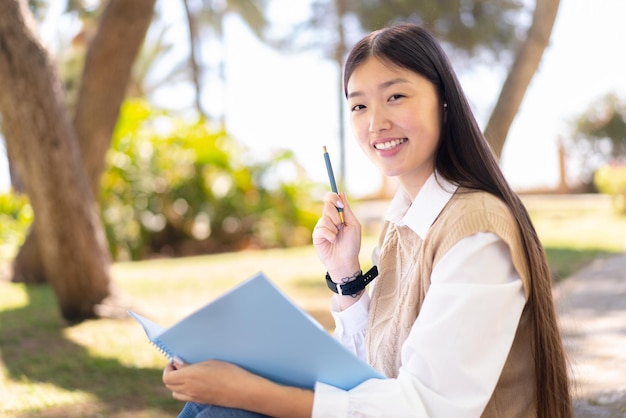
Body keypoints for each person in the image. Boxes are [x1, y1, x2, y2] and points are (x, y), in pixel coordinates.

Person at [162, 23, 572, 418]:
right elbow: (372, 375)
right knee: (217, 404)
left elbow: (426, 408)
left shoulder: (476, 230)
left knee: (229, 406)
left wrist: (250, 391)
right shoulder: (402, 224)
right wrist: (346, 275)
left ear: (444, 104)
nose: (376, 123)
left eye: (395, 97)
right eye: (359, 105)